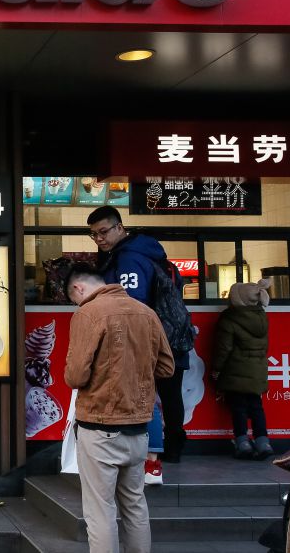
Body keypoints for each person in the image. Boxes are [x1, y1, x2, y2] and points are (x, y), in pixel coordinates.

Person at [64, 264, 175, 553]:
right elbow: (166, 367)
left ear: (78, 288)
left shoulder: (88, 313)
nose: (76, 303)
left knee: (100, 510)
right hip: (138, 430)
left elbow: (75, 376)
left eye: (73, 298)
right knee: (135, 505)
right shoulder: (146, 313)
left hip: (99, 428)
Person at [88, 205, 188, 479]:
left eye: (103, 232)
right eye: (94, 235)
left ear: (120, 228)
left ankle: (152, 453)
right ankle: (173, 447)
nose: (99, 239)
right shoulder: (147, 252)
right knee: (169, 394)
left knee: (148, 395)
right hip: (171, 335)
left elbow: (131, 304)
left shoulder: (129, 257)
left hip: (147, 339)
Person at [212, 279, 274, 460]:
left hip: (235, 371)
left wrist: (216, 370)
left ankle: (243, 443)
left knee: (238, 408)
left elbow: (223, 349)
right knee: (256, 407)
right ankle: (263, 443)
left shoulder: (230, 318)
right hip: (257, 371)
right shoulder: (261, 317)